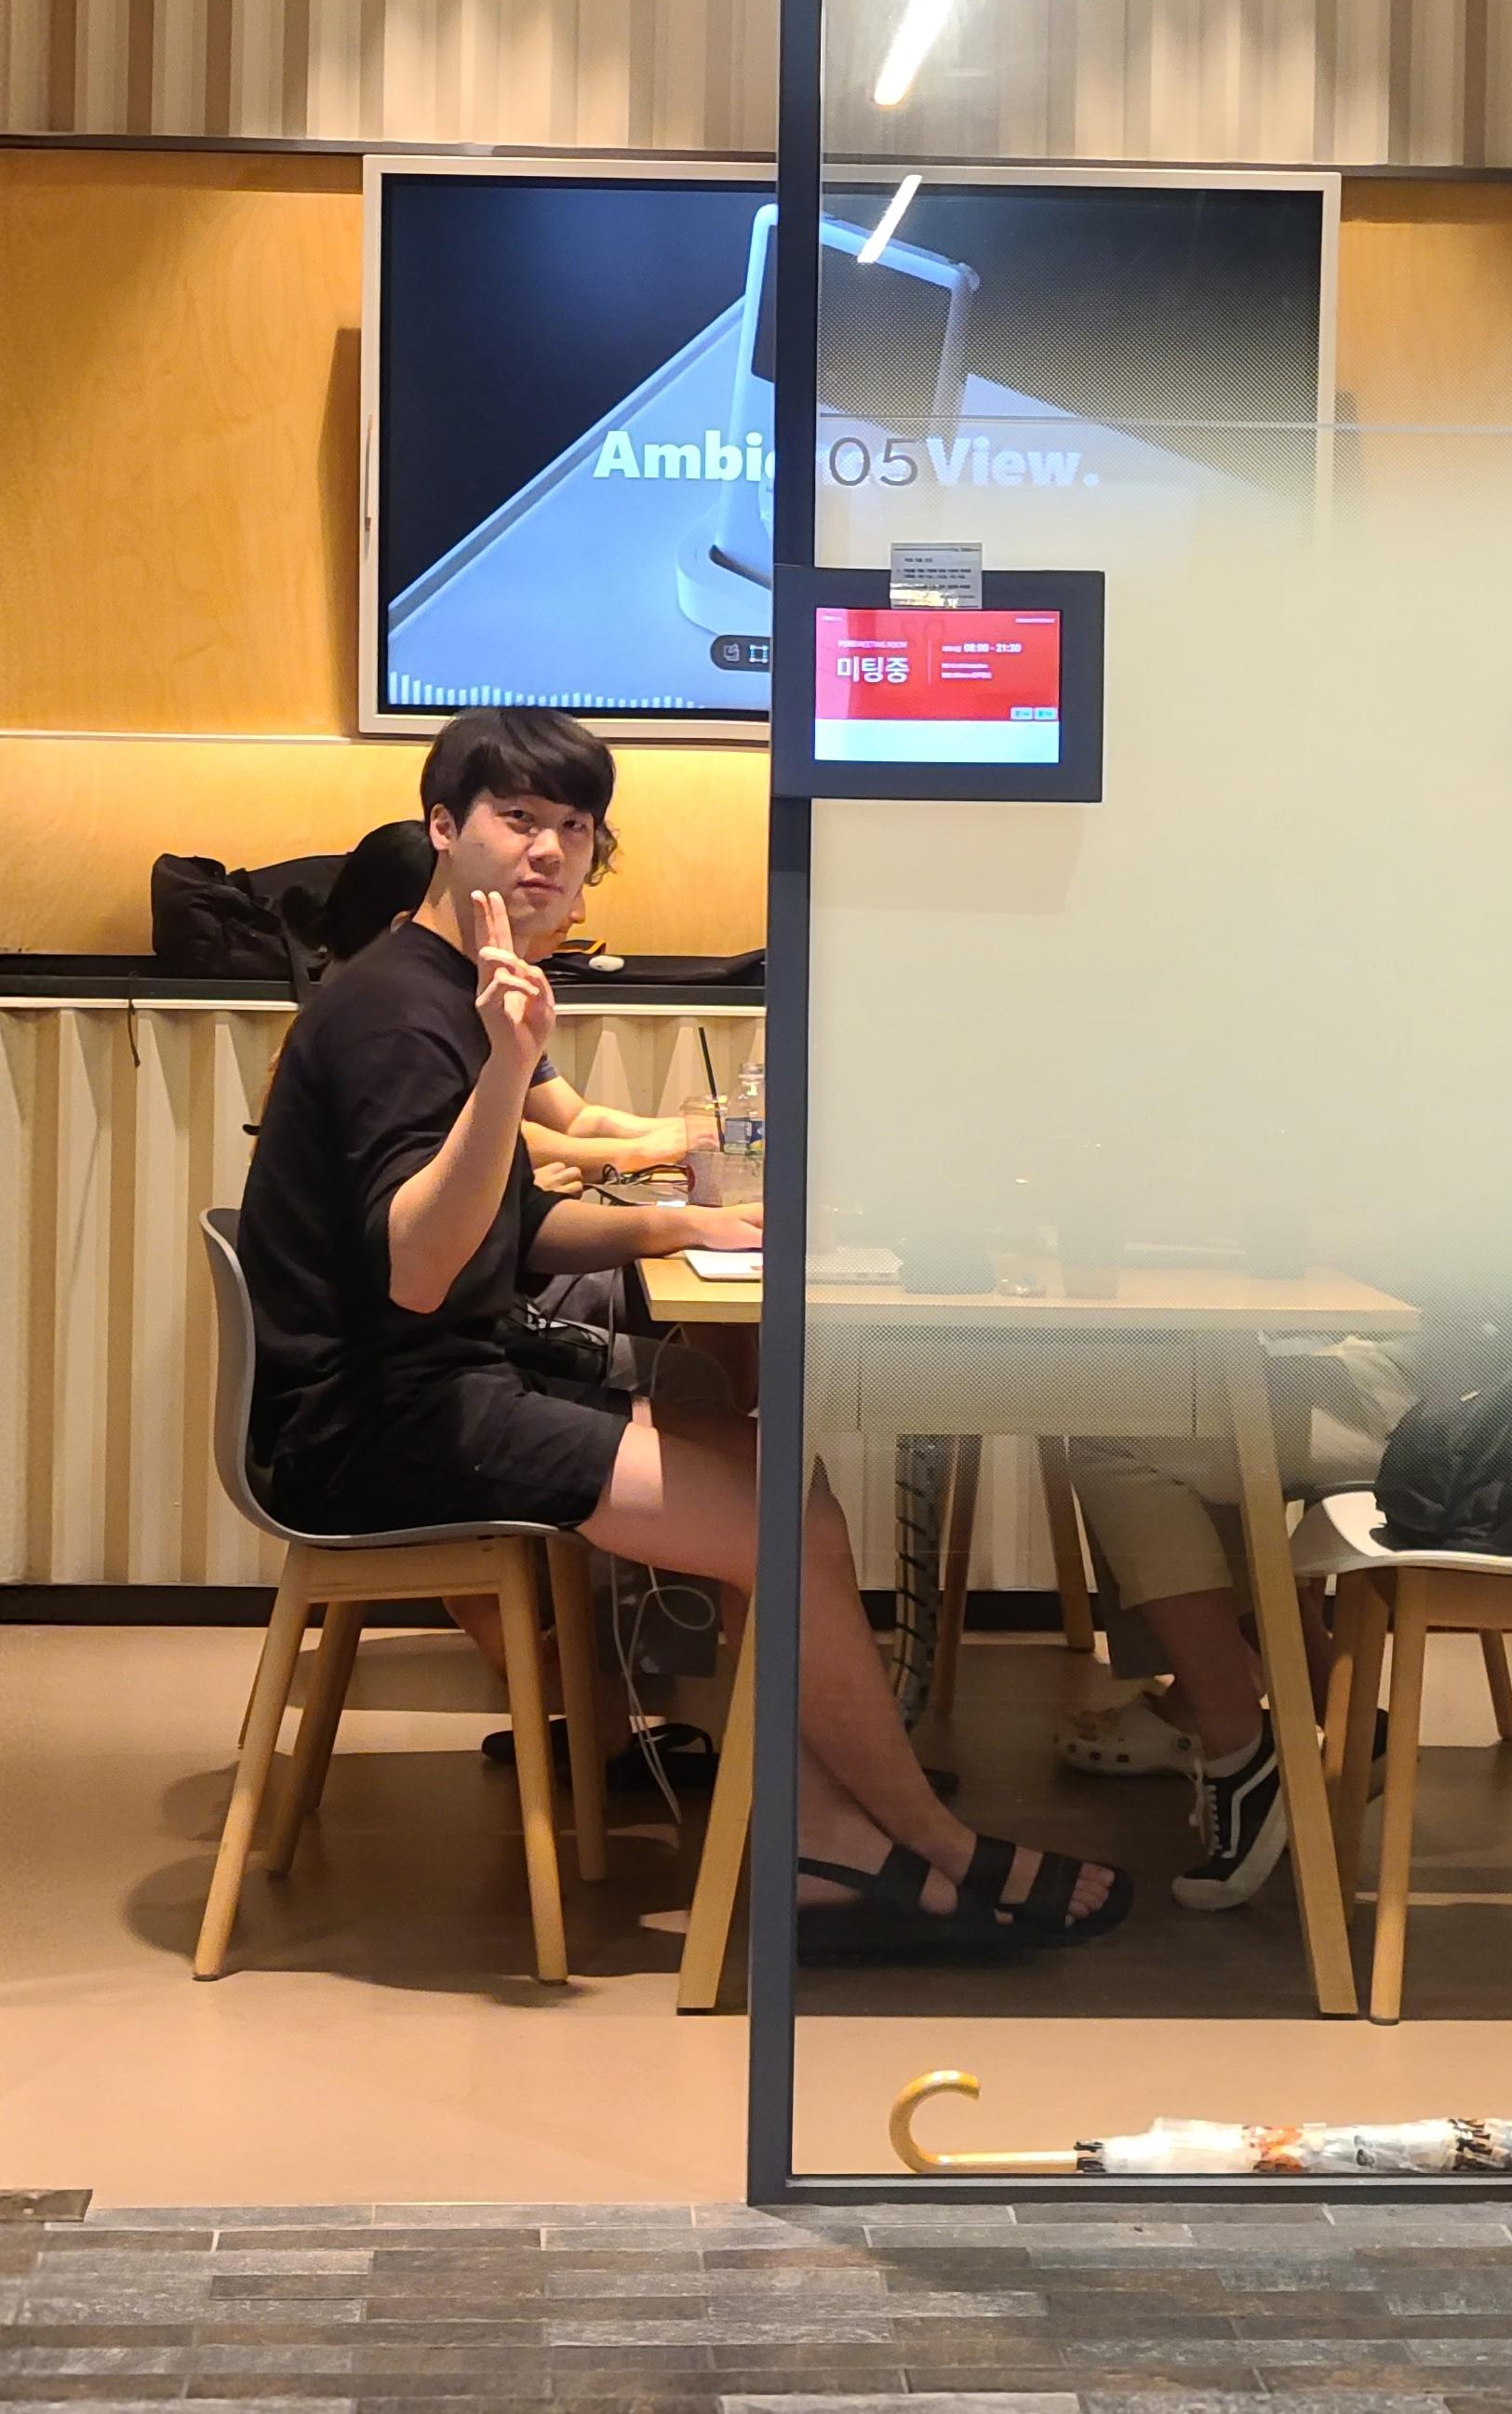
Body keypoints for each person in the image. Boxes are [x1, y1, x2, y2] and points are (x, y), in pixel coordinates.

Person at [237, 705, 1129, 1960]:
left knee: (782, 1485)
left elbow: (512, 1223)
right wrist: (508, 1069)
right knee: (788, 1525)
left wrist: (688, 1227)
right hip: (378, 1424)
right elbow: (424, 1271)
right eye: (517, 820)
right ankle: (927, 1840)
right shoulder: (402, 1010)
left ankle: (829, 1837)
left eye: (575, 828)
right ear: (444, 828)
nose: (550, 851)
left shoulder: (449, 985)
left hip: (437, 1385)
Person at [1058, 1337, 1414, 1912]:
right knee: (1190, 1397)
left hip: (1428, 1402)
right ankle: (1340, 1715)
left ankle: (1238, 1745)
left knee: (1116, 1436)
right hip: (1426, 1377)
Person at [318, 815, 690, 1182]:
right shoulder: (393, 1020)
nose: (576, 914)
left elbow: (570, 1119)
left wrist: (689, 1134)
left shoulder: (489, 992)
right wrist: (641, 1153)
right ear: (405, 928)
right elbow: (472, 1142)